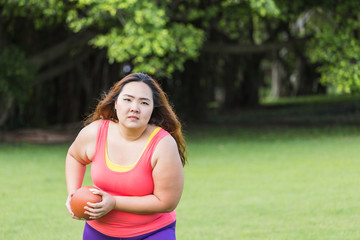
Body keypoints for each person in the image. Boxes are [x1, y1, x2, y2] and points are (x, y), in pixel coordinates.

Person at [65, 72, 187, 240]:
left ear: (152, 110)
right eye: (127, 99)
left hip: (152, 232)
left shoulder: (163, 144)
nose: (134, 108)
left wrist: (114, 202)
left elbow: (166, 202)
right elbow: (75, 157)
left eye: (144, 102)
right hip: (98, 231)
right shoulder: (95, 132)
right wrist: (73, 193)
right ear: (116, 103)